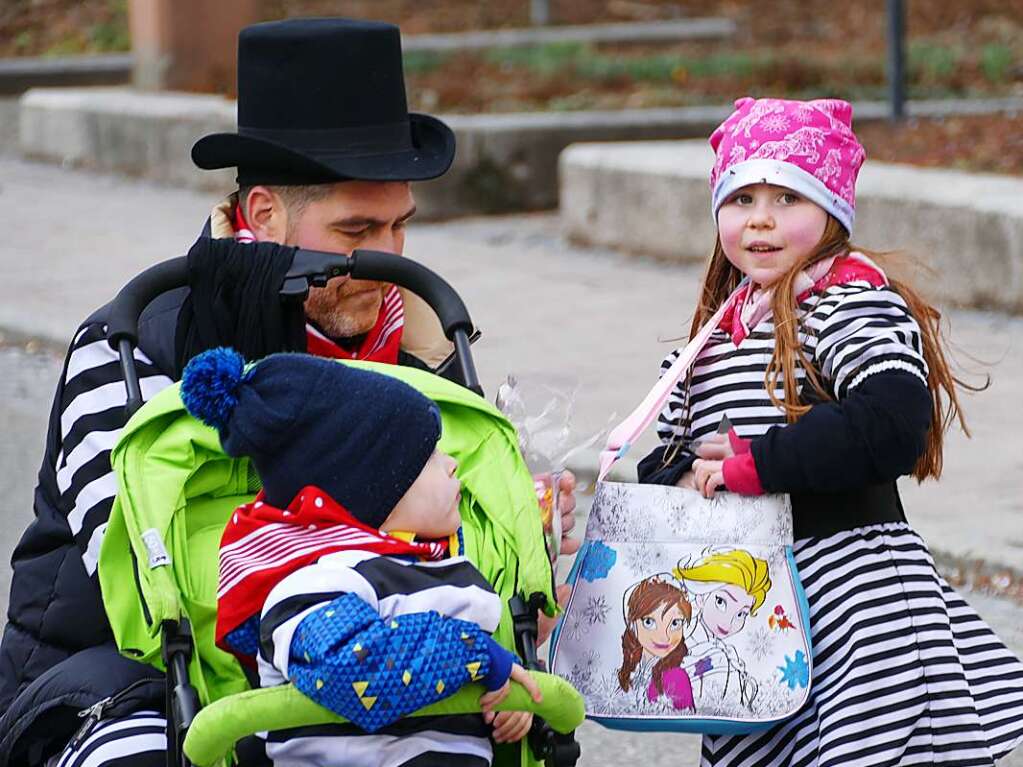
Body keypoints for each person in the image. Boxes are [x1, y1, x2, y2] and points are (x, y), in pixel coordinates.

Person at [0, 18, 576, 767]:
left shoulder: (419, 349)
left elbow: (449, 546)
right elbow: (159, 574)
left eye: (401, 224)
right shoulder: (136, 344)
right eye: (356, 228)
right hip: (131, 663)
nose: (386, 255)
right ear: (264, 214)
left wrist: (520, 537)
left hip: (368, 655)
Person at [636, 96, 1023, 765]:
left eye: (787, 197)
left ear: (832, 212)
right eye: (741, 197)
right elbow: (665, 463)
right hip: (752, 621)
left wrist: (749, 465)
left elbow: (890, 422)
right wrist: (679, 481)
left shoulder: (850, 306)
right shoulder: (710, 341)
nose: (759, 217)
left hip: (858, 612)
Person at [177, 347, 543, 765]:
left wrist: (509, 690)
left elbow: (475, 660)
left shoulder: (442, 568)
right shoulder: (314, 582)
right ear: (371, 490)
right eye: (429, 457)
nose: (452, 465)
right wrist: (476, 656)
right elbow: (351, 669)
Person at [673, 549, 770, 713]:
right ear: (701, 596)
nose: (728, 622)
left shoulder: (726, 652)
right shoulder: (683, 641)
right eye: (720, 602)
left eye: (741, 614)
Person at [616, 574, 694, 713]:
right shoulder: (632, 668)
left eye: (675, 623)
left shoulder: (676, 677)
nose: (664, 637)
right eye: (649, 622)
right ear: (632, 623)